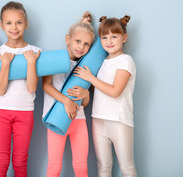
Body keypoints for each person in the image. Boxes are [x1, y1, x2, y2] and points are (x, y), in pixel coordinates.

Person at [74, 15, 137, 176]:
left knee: (126, 167)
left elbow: (115, 91)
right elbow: (98, 88)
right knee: (103, 166)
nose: (109, 41)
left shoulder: (126, 61)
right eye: (104, 37)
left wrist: (90, 78)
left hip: (119, 120)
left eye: (114, 36)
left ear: (124, 37)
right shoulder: (102, 62)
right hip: (98, 119)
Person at [0, 1, 41, 177]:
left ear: (26, 24)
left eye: (19, 22)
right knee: (2, 161)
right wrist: (5, 64)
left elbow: (32, 88)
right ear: (2, 25)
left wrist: (31, 62)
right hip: (0, 112)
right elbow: (0, 90)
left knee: (20, 161)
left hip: (24, 112)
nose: (14, 27)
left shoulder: (35, 52)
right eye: (9, 23)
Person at [42, 12, 95, 177]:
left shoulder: (86, 67)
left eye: (86, 44)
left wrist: (86, 93)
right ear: (68, 39)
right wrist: (66, 101)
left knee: (81, 167)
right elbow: (46, 86)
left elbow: (85, 101)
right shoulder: (54, 59)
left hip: (79, 120)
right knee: (54, 167)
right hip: (56, 119)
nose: (81, 47)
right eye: (78, 41)